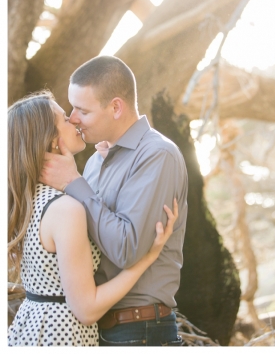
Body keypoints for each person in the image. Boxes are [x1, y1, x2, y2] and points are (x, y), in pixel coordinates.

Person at [38, 55, 189, 346]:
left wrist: (73, 183)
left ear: (116, 107)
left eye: (82, 109)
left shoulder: (157, 155)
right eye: (72, 108)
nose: (72, 118)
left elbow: (125, 250)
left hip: (140, 329)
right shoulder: (95, 161)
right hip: (98, 329)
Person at [8, 91, 178, 346]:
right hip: (63, 336)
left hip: (32, 328)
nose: (74, 121)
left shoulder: (30, 201)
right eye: (65, 118)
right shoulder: (65, 210)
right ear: (53, 140)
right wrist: (147, 258)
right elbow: (86, 310)